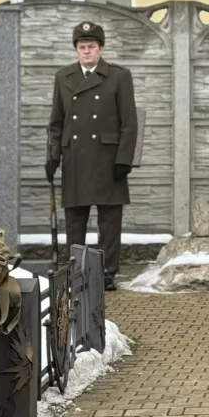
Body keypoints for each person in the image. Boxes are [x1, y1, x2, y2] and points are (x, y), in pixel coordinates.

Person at [46, 22, 137, 291]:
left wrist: (124, 159)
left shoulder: (119, 76)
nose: (87, 51)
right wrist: (52, 157)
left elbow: (129, 123)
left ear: (101, 49)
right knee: (75, 222)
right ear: (76, 50)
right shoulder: (63, 77)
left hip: (108, 160)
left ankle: (107, 273)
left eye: (92, 46)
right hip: (75, 159)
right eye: (82, 47)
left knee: (109, 222)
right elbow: (56, 123)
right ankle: (76, 273)